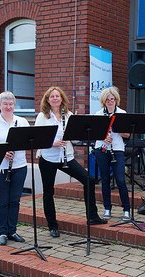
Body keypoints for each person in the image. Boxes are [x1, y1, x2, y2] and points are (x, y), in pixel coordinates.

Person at [35, 87, 107, 237]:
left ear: (62, 98)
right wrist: (53, 143)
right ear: (47, 100)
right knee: (48, 192)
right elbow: (37, 138)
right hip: (48, 158)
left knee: (89, 180)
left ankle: (92, 216)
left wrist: (76, 134)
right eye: (52, 96)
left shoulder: (68, 115)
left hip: (66, 156)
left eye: (58, 96)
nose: (55, 98)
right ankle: (52, 226)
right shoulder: (43, 116)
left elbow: (74, 137)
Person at [0, 91, 29, 245]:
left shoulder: (22, 121)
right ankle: (3, 232)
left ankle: (12, 231)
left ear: (14, 105)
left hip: (19, 166)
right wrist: (2, 153)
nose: (8, 107)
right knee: (3, 200)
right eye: (5, 104)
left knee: (15, 200)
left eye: (11, 104)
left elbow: (29, 141)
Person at [93, 87, 131, 221]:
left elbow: (127, 134)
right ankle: (107, 208)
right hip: (102, 148)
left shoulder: (122, 113)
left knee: (120, 179)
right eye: (107, 100)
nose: (110, 101)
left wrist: (117, 129)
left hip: (117, 149)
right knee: (105, 180)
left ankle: (127, 210)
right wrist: (103, 136)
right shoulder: (98, 114)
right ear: (104, 101)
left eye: (112, 99)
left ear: (116, 100)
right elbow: (94, 133)